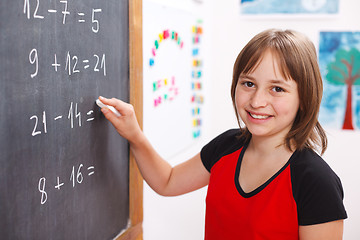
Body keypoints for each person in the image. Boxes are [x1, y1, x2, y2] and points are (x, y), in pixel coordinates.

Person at [98, 29, 347, 240]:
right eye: (248, 83)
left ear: (304, 98)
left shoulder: (316, 181)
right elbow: (168, 181)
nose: (257, 101)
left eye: (277, 88)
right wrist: (134, 134)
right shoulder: (227, 146)